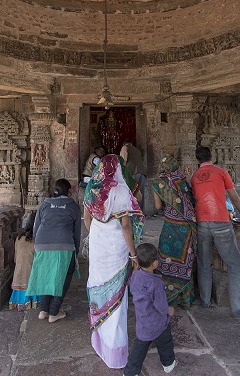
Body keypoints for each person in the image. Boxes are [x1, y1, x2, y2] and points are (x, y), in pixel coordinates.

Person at [84, 154, 145, 369]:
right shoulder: (120, 190)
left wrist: (97, 235)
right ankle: (115, 353)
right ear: (117, 169)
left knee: (98, 285)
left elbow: (86, 218)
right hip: (116, 249)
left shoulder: (91, 189)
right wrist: (133, 254)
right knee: (118, 298)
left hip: (98, 247)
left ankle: (99, 340)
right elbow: (127, 227)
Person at [189, 146, 240, 319]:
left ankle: (205, 301)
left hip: (202, 222)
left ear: (197, 160)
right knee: (234, 265)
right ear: (212, 156)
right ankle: (238, 310)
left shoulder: (194, 177)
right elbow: (233, 195)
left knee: (203, 263)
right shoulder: (221, 172)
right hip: (221, 222)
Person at [26, 178, 81, 323]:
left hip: (42, 244)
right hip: (64, 245)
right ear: (69, 191)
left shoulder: (44, 204)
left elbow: (36, 227)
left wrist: (38, 246)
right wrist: (75, 253)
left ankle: (43, 310)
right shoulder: (73, 207)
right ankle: (54, 312)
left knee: (46, 273)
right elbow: (76, 234)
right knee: (65, 276)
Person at [124, 242, 177, 376]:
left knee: (139, 348)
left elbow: (132, 288)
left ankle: (130, 372)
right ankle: (168, 364)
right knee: (165, 343)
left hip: (143, 321)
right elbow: (160, 305)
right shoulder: (155, 283)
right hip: (158, 322)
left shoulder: (135, 275)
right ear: (154, 263)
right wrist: (168, 310)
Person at [152, 155, 197, 309]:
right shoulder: (182, 180)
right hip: (186, 226)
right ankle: (185, 299)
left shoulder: (159, 184)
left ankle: (168, 294)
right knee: (185, 259)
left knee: (167, 258)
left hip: (170, 225)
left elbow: (158, 207)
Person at [9, 211, 41, 311]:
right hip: (31, 276)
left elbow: (15, 258)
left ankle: (19, 303)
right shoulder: (37, 239)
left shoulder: (19, 237)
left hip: (18, 275)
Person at [120, 140, 146, 211]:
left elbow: (123, 160)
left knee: (132, 193)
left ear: (124, 143)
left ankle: (133, 212)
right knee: (141, 194)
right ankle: (140, 213)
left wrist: (122, 172)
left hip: (132, 173)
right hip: (141, 173)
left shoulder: (125, 147)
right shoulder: (137, 150)